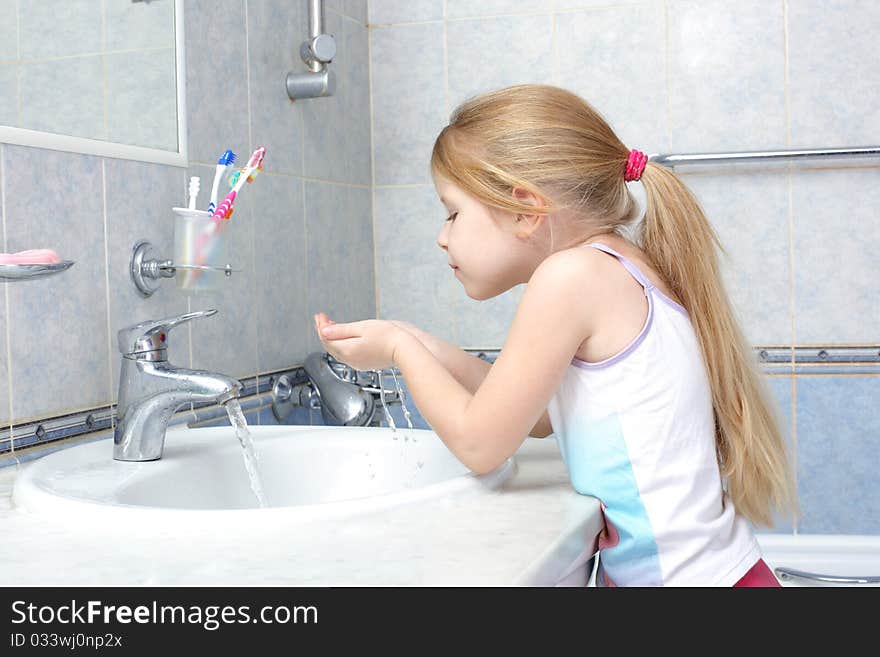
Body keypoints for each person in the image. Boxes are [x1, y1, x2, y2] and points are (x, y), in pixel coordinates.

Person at [313, 84, 799, 587]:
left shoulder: (570, 277)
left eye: (453, 212)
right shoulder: (619, 266)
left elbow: (480, 444)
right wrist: (412, 338)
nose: (443, 235)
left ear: (524, 209)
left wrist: (399, 350)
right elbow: (544, 416)